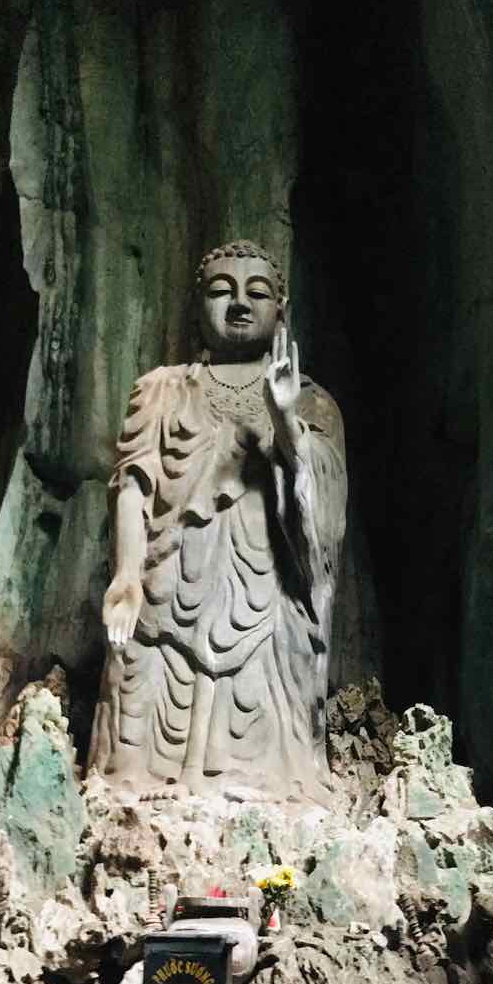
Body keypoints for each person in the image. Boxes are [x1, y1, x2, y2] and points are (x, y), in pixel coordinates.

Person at [87, 240, 347, 802]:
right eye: (220, 291)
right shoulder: (160, 389)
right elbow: (134, 485)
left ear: (282, 310)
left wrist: (283, 421)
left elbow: (321, 512)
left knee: (265, 719)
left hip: (266, 595)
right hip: (166, 586)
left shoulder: (310, 401)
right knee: (139, 689)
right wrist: (127, 575)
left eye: (257, 293)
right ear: (196, 308)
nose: (238, 304)